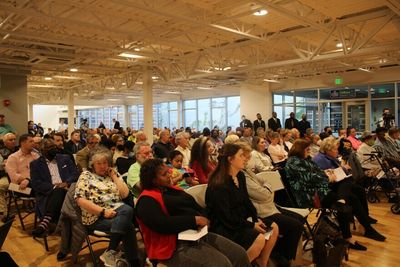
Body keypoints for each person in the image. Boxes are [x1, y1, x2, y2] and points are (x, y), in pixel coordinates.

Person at [135, 158, 251, 267]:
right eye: (164, 174)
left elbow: (193, 206)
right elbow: (162, 224)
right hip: (171, 247)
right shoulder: (146, 200)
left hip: (195, 234)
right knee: (222, 264)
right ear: (153, 180)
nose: (170, 175)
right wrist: (194, 220)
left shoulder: (170, 189)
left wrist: (203, 217)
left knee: (239, 255)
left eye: (168, 171)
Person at [285, 139, 384, 252]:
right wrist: (327, 177)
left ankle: (365, 228)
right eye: (307, 149)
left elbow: (317, 172)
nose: (309, 151)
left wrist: (327, 172)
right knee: (346, 196)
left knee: (351, 196)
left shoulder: (304, 159)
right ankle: (351, 236)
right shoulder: (293, 162)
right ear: (299, 150)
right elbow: (308, 178)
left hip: (320, 190)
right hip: (311, 195)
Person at [206, 143, 278, 266]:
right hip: (224, 226)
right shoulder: (219, 184)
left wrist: (256, 220)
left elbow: (246, 201)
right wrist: (251, 225)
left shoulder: (239, 175)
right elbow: (226, 218)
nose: (245, 158)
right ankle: (241, 264)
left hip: (239, 220)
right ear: (230, 159)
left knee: (273, 228)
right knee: (259, 238)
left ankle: (262, 262)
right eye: (241, 155)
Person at [238, 141, 303, 264]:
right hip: (262, 210)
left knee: (300, 220)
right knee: (296, 226)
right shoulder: (241, 175)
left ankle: (279, 252)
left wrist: (267, 188)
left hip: (269, 205)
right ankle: (284, 258)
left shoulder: (246, 170)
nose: (248, 158)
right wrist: (268, 189)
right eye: (245, 155)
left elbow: (263, 180)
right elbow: (263, 195)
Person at [75, 146, 140, 267]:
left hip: (117, 214)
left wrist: (114, 176)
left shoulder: (112, 174)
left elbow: (125, 195)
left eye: (105, 162)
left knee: (126, 213)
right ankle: (132, 261)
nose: (102, 166)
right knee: (128, 222)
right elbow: (80, 200)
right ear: (92, 164)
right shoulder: (86, 175)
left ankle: (111, 252)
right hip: (96, 217)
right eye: (98, 163)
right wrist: (102, 211)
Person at [312, 137, 385, 242]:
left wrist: (343, 169)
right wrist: (343, 169)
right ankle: (366, 228)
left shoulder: (329, 157)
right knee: (352, 194)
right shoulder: (320, 160)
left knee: (357, 189)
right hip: (328, 190)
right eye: (335, 149)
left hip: (337, 186)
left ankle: (365, 219)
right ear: (328, 150)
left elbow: (340, 173)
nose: (337, 151)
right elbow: (326, 178)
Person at [30, 139, 79, 237]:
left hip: (69, 190)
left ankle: (45, 223)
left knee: (61, 191)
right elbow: (36, 184)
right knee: (58, 191)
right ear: (42, 150)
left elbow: (75, 173)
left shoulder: (65, 158)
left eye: (54, 146)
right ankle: (60, 226)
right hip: (49, 193)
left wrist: (66, 183)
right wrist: (55, 186)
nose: (53, 149)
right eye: (49, 148)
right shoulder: (35, 164)